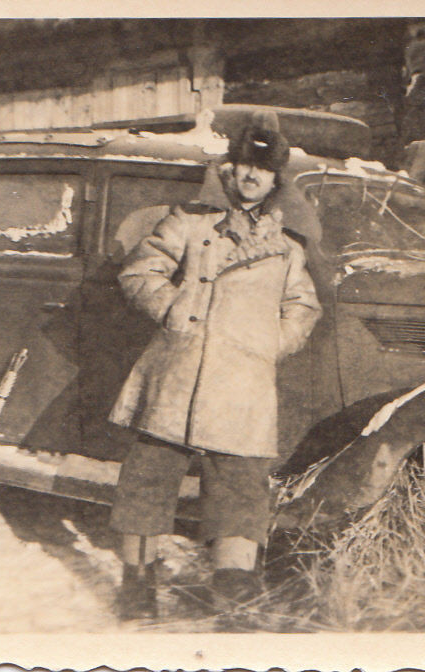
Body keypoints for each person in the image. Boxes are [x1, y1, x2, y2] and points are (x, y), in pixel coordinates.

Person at [106, 111, 322, 619]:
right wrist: (171, 307)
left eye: (263, 170)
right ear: (231, 169)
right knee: (148, 480)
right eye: (245, 164)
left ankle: (234, 597)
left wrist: (273, 342)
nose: (251, 176)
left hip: (244, 382)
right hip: (181, 368)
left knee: (240, 490)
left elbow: (304, 306)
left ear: (274, 181)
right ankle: (136, 588)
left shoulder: (287, 248)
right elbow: (141, 269)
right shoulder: (190, 222)